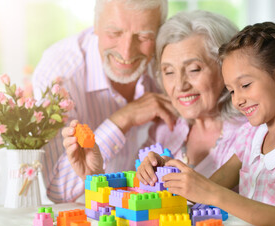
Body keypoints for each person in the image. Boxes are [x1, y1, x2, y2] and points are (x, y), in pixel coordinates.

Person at [146, 22, 275, 226]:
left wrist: (213, 194)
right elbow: (204, 189)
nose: (237, 100)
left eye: (245, 85)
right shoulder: (252, 136)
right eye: (231, 91)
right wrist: (164, 171)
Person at [32, 0, 176, 203]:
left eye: (144, 36)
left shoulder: (168, 64)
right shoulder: (59, 75)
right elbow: (58, 190)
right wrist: (122, 119)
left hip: (146, 210)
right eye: (115, 33)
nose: (126, 52)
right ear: (95, 25)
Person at [136, 10, 245, 186]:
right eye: (169, 72)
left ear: (226, 69)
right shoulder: (164, 130)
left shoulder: (252, 134)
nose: (180, 86)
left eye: (194, 69)